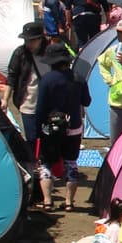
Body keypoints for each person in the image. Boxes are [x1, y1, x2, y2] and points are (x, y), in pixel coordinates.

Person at [33, 45, 89, 211]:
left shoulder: (46, 80)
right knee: (71, 163)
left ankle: (47, 201)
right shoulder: (78, 78)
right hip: (74, 127)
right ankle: (69, 202)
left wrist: (38, 130)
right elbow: (87, 101)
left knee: (46, 164)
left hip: (51, 129)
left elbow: (40, 108)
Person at [3, 21, 49, 145]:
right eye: (27, 40)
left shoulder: (50, 53)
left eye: (32, 40)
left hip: (47, 104)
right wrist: (5, 99)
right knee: (31, 138)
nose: (29, 44)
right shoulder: (20, 53)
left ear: (41, 39)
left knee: (47, 138)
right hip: (27, 103)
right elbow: (11, 77)